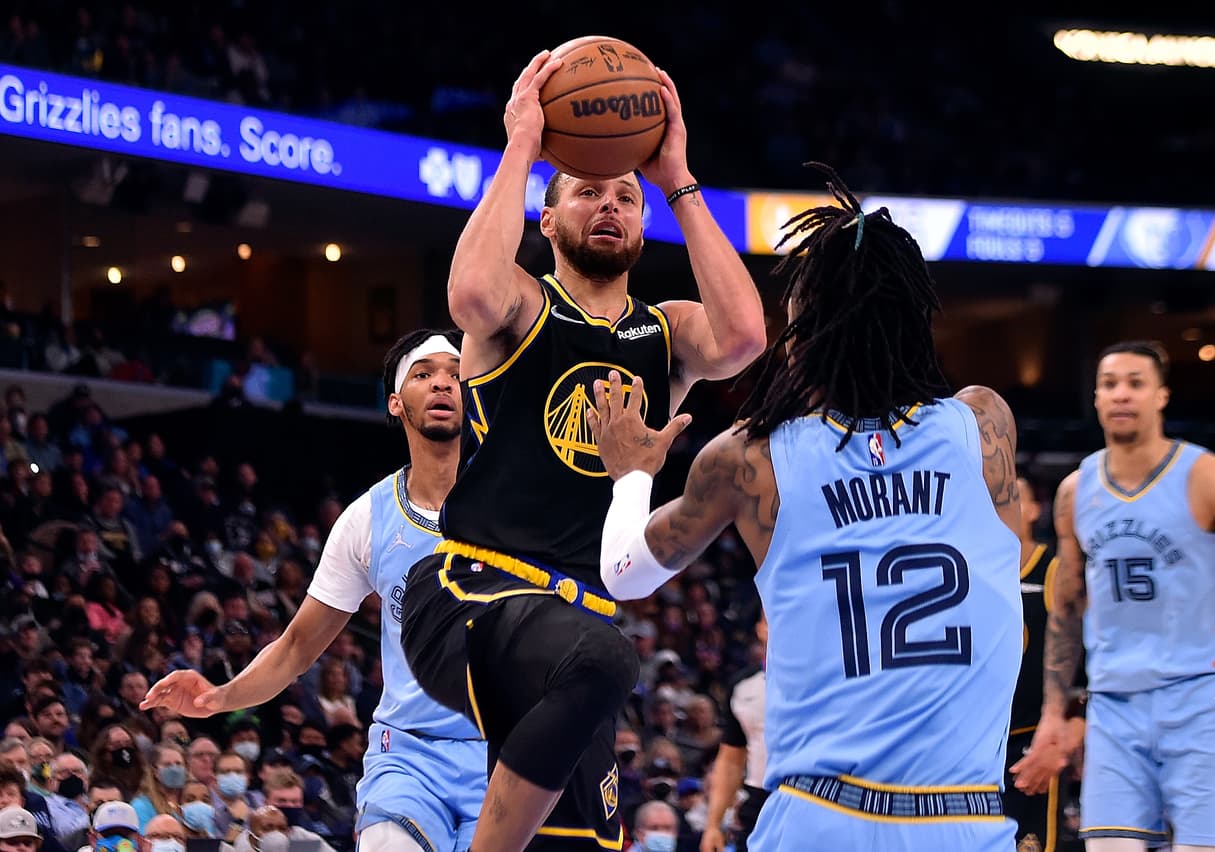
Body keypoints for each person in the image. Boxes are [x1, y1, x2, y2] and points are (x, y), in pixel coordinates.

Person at [587, 165, 1023, 850]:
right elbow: (1007, 582)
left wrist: (631, 476)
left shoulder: (750, 456)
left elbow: (622, 572)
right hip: (965, 817)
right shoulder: (984, 427)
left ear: (804, 331)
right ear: (915, 317)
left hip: (821, 816)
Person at [398, 49, 766, 852]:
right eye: (589, 193)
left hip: (572, 628)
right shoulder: (522, 305)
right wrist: (523, 146)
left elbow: (744, 336)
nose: (610, 206)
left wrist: (677, 178)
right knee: (607, 658)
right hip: (475, 595)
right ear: (547, 219)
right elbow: (468, 294)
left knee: (590, 839)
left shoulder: (664, 330)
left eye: (626, 198)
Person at [141, 330, 487, 852]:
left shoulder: (515, 508)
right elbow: (298, 648)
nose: (443, 382)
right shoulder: (367, 519)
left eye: (455, 374)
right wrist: (217, 697)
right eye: (424, 374)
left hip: (506, 755)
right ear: (396, 402)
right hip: (410, 757)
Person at [1012, 340, 1215, 851]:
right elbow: (1067, 610)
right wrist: (1052, 713)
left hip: (1200, 698)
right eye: (1110, 384)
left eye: (1136, 383)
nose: (1122, 395)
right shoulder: (1076, 491)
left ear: (1161, 396)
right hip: (1115, 706)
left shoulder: (1211, 478)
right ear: (1095, 397)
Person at [1004, 476, 1085, 852]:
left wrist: (1066, 737)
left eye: (1015, 497)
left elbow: (1084, 666)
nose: (1002, 503)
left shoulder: (1055, 571)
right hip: (972, 747)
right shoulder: (966, 571)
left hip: (1032, 745)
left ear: (1036, 510)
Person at [700, 614, 768, 852]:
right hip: (760, 802)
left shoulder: (828, 679)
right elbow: (731, 759)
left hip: (815, 799)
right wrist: (713, 825)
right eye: (769, 618)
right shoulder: (743, 687)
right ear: (760, 629)